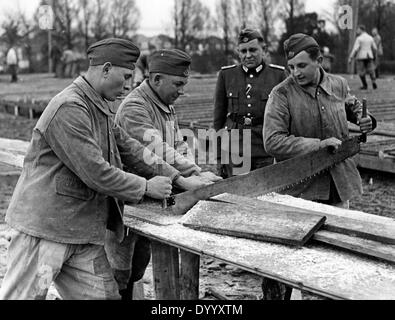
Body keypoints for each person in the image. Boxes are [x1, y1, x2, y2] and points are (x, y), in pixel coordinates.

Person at [0, 38, 209, 300]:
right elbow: (95, 171)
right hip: (44, 232)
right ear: (106, 69)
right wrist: (145, 186)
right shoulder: (70, 107)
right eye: (126, 76)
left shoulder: (99, 106)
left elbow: (131, 149)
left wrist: (178, 177)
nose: (129, 85)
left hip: (83, 234)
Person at [264, 33, 376, 299]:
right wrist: (317, 145)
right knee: (302, 266)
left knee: (335, 264)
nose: (295, 72)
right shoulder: (281, 94)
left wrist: (367, 121)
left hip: (339, 187)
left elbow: (356, 113)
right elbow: (272, 141)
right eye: (291, 67)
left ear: (319, 61)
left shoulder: (338, 85)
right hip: (303, 192)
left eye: (302, 66)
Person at [109, 48, 222, 300]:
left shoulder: (165, 104)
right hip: (126, 202)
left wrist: (198, 174)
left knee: (138, 265)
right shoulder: (135, 107)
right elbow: (155, 152)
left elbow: (178, 145)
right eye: (178, 84)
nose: (182, 90)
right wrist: (188, 176)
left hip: (154, 200)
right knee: (118, 272)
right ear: (157, 79)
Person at [214, 28, 287, 179]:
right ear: (238, 52)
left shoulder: (278, 75)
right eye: (243, 51)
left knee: (267, 195)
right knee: (235, 195)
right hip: (235, 148)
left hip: (265, 148)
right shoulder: (226, 75)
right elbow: (218, 119)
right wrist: (219, 155)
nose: (248, 55)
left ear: (264, 50)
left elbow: (287, 117)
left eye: (253, 50)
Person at [348, 25, 378, 90]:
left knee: (361, 71)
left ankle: (365, 85)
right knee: (371, 70)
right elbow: (375, 48)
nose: (357, 31)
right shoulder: (370, 37)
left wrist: (351, 57)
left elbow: (355, 49)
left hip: (361, 56)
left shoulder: (359, 38)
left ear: (361, 30)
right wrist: (374, 56)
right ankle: (373, 82)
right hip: (369, 56)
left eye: (358, 29)